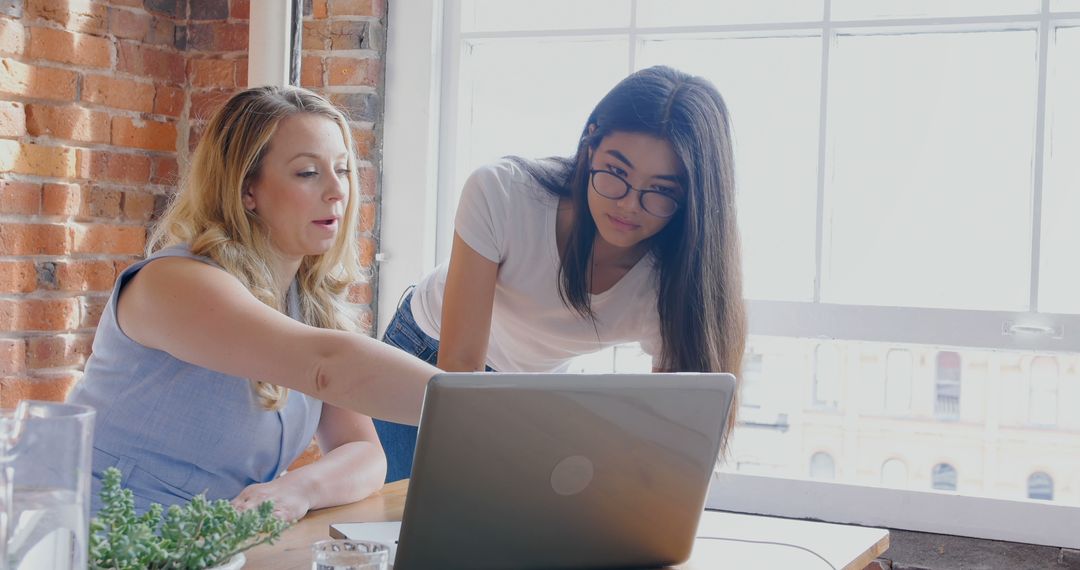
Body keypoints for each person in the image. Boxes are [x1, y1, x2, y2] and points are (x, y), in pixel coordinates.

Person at [67, 86, 439, 520]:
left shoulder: (309, 302)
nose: (337, 190)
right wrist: (482, 413)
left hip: (205, 548)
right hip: (86, 539)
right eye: (307, 173)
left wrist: (300, 487)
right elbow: (326, 367)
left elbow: (363, 452)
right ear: (247, 190)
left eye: (343, 170)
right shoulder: (173, 282)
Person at [375, 65, 747, 482]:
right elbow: (460, 368)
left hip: (530, 390)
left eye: (660, 190)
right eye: (616, 173)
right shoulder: (503, 193)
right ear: (590, 144)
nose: (627, 205)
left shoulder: (673, 281)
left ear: (692, 196)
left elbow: (671, 427)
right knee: (404, 523)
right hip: (428, 356)